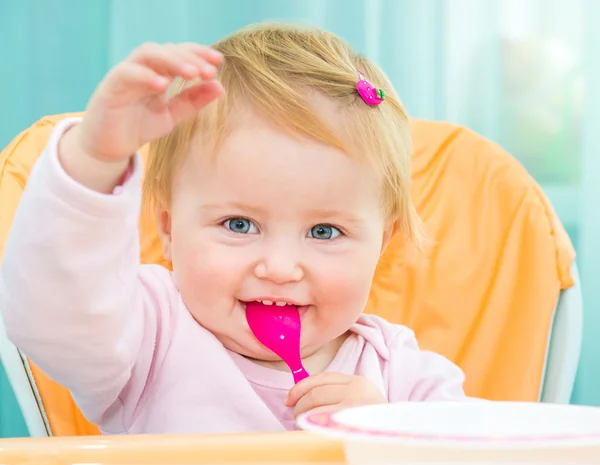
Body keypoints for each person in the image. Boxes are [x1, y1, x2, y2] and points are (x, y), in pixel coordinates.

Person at [0, 23, 469, 435]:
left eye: (324, 232)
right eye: (239, 224)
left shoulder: (402, 375)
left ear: (381, 244)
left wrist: (391, 430)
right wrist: (95, 160)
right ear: (168, 229)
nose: (281, 268)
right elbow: (52, 313)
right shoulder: (145, 335)